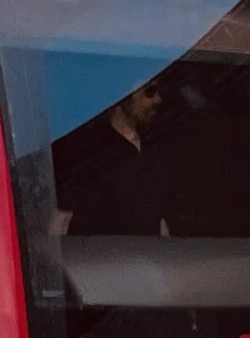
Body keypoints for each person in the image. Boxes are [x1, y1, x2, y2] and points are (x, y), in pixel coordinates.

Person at [52, 78, 175, 237]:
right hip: (103, 257)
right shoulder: (90, 148)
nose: (158, 99)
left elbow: (159, 217)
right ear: (122, 96)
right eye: (149, 92)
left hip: (148, 257)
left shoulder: (154, 143)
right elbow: (62, 217)